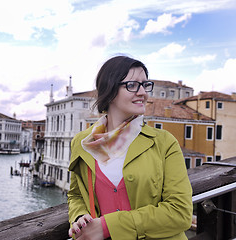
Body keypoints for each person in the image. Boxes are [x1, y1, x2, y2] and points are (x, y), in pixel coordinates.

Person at [67, 55, 193, 239]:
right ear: (109, 89)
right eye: (132, 85)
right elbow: (76, 195)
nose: (143, 92)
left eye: (145, 85)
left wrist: (107, 226)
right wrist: (79, 217)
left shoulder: (164, 142)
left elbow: (180, 213)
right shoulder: (82, 143)